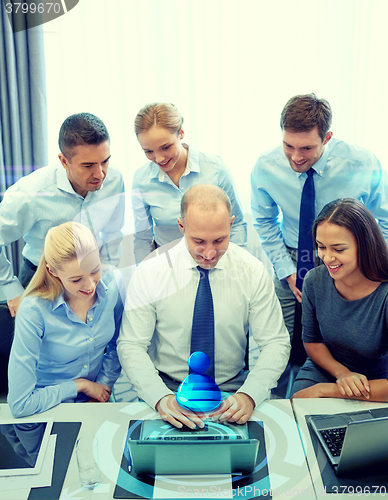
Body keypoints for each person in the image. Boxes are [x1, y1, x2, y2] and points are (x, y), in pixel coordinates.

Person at [117, 184, 290, 429]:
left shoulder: (252, 271)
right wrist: (160, 397)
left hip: (231, 390)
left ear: (231, 225)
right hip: (167, 387)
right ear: (181, 227)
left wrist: (250, 394)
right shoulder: (151, 270)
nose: (209, 253)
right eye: (198, 241)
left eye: (219, 240)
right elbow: (131, 344)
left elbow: (276, 342)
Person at [251, 94, 388, 338]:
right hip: (292, 256)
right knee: (278, 339)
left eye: (306, 148)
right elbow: (264, 220)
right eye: (288, 146)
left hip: (348, 259)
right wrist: (286, 270)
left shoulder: (361, 163)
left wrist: (370, 263)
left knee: (337, 338)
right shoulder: (266, 166)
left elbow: (386, 219)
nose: (295, 157)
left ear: (327, 138)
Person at [0, 112, 125, 317]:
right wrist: (12, 291)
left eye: (105, 161)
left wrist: (108, 276)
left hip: (92, 278)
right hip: (43, 281)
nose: (100, 174)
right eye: (88, 165)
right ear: (64, 161)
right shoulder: (30, 193)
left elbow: (113, 232)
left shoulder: (115, 179)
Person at [7, 222, 124, 418]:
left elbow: (117, 345)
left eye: (95, 270)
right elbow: (20, 405)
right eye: (76, 279)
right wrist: (80, 386)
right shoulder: (34, 309)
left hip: (96, 399)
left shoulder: (113, 284)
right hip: (45, 406)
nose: (90, 286)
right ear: (52, 271)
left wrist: (102, 386)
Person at [292, 199, 388, 401]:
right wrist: (342, 374)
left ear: (365, 245)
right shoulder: (314, 281)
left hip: (379, 380)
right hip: (326, 367)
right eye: (321, 247)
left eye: (338, 249)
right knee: (297, 407)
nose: (327, 258)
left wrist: (327, 390)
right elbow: (312, 342)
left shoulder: (384, 293)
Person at [132, 103, 247, 263]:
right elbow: (143, 238)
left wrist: (235, 266)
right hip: (169, 267)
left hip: (216, 262)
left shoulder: (215, 168)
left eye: (165, 147)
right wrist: (143, 275)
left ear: (181, 133)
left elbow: (237, 223)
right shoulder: (141, 180)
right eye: (148, 151)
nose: (158, 158)